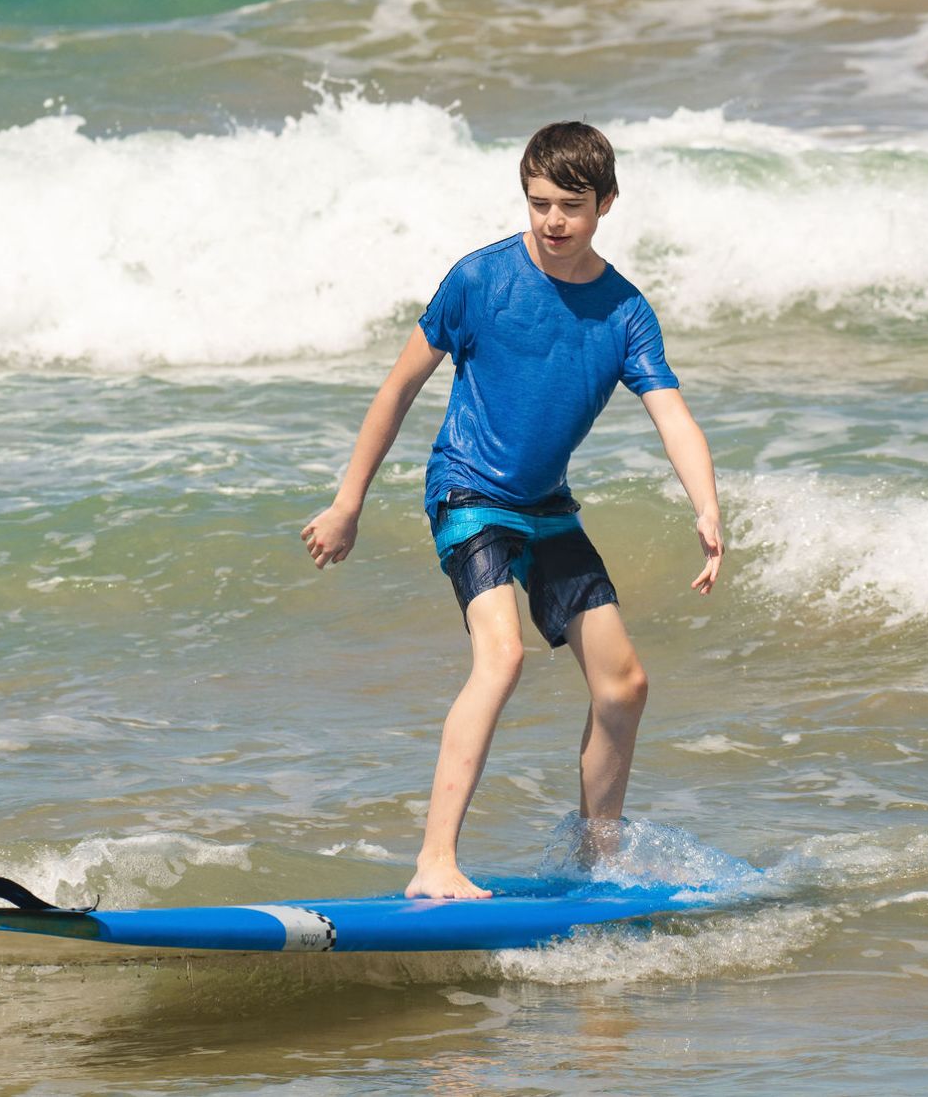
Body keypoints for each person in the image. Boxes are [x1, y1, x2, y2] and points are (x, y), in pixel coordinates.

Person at [300, 122, 724, 900]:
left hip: (546, 505)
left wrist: (707, 506)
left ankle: (599, 860)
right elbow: (398, 388)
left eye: (572, 205)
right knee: (502, 656)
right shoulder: (478, 279)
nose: (553, 221)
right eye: (539, 203)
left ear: (606, 203)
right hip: (468, 491)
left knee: (624, 684)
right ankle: (435, 859)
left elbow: (673, 413)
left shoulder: (625, 312)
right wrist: (347, 502)